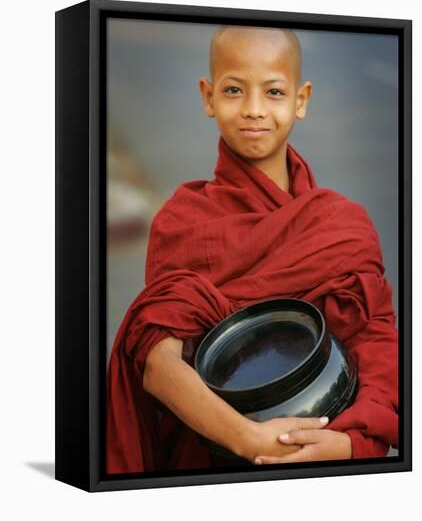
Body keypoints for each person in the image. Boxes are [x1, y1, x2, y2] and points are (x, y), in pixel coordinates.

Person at [106, 25, 398, 473]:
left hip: (327, 448)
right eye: (234, 90)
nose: (254, 110)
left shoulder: (342, 224)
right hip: (214, 458)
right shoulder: (184, 222)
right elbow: (157, 363)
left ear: (301, 100)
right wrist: (247, 440)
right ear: (208, 97)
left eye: (274, 92)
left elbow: (375, 338)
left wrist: (352, 444)